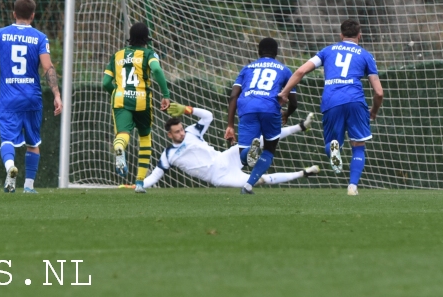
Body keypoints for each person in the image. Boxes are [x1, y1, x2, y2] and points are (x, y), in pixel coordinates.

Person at [279, 19, 383, 196]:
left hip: (331, 100)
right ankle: (352, 187)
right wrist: (373, 111)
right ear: (360, 35)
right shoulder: (366, 55)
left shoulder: (327, 51)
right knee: (358, 145)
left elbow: (300, 71)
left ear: (341, 35)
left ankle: (334, 147)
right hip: (355, 102)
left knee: (331, 143)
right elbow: (379, 92)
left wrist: (284, 92)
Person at [0, 0, 62, 193]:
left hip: (8, 99)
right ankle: (29, 186)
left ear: (14, 13)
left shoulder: (0, 35)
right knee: (33, 142)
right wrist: (57, 95)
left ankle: (10, 168)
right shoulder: (40, 37)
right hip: (32, 97)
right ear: (33, 15)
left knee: (7, 139)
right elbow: (48, 67)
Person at [143, 103, 318, 188]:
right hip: (219, 177)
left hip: (224, 157)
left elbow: (208, 116)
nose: (181, 133)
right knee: (261, 180)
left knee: (263, 139)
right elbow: (154, 177)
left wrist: (187, 110)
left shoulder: (192, 132)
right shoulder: (167, 155)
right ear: (169, 135)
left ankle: (301, 126)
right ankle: (303, 173)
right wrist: (139, 184)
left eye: (181, 129)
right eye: (177, 132)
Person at [102, 22, 171, 193]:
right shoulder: (149, 54)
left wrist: (117, 92)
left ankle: (119, 148)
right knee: (145, 138)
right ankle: (139, 183)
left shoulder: (117, 55)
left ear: (130, 38)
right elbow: (157, 70)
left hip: (121, 100)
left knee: (123, 134)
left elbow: (105, 83)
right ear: (146, 39)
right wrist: (166, 94)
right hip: (142, 101)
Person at [225, 37, 298, 195]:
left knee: (244, 158)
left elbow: (233, 96)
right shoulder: (284, 70)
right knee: (270, 148)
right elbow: (294, 101)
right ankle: (248, 185)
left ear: (258, 52)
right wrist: (287, 114)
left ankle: (251, 151)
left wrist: (230, 125)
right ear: (277, 52)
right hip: (270, 108)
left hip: (247, 107)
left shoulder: (247, 68)